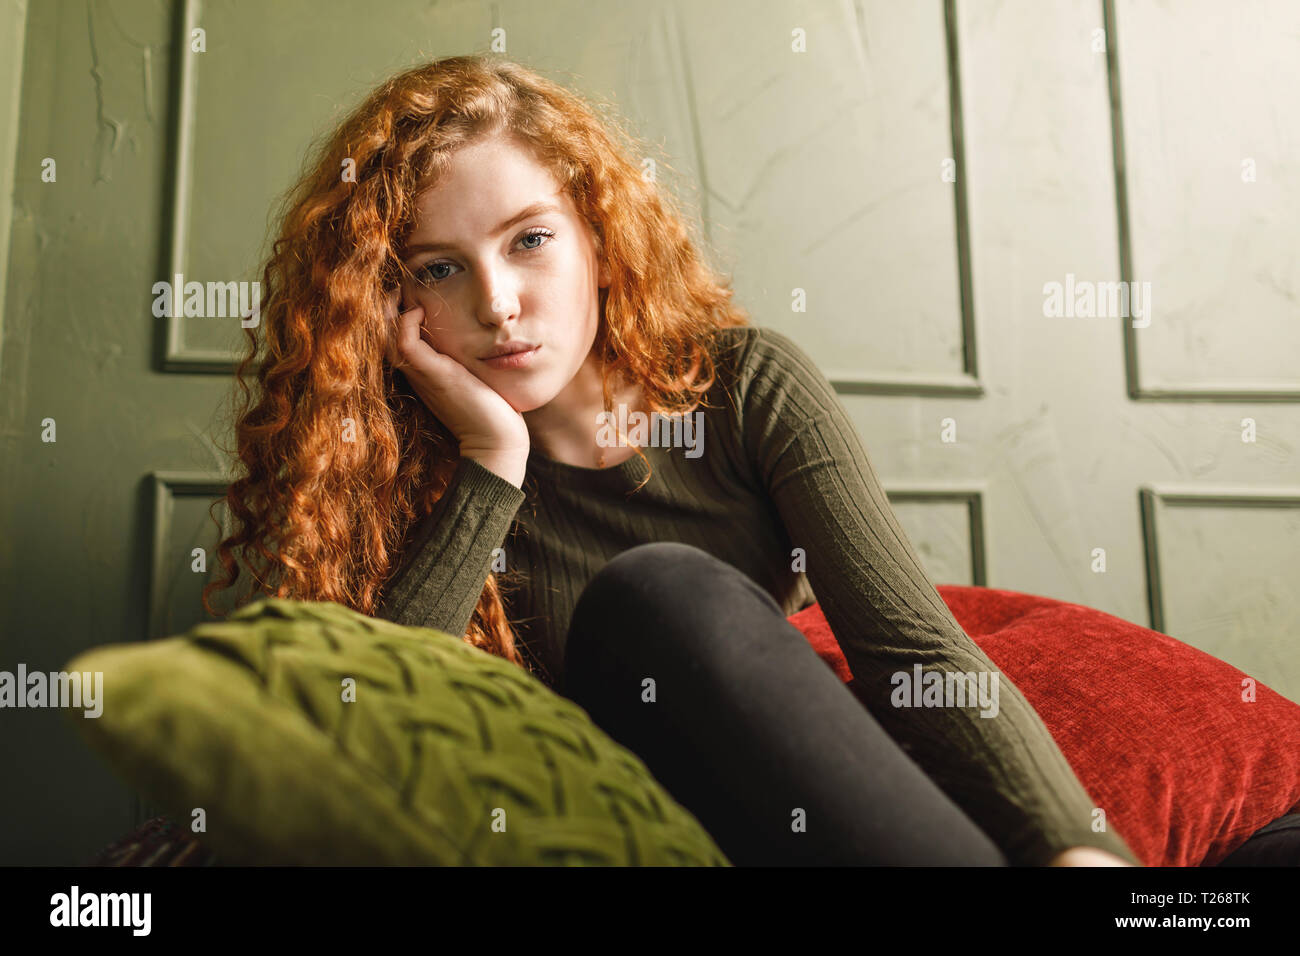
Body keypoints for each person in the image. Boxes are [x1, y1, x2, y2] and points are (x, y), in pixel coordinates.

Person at [206, 54, 1137, 867]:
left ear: (600, 245)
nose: (498, 304)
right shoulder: (396, 469)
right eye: (439, 268)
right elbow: (363, 741)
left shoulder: (745, 388)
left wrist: (1077, 847)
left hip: (799, 817)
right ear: (392, 304)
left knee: (667, 594)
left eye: (530, 241)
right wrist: (492, 461)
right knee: (656, 594)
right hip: (619, 837)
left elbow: (913, 656)